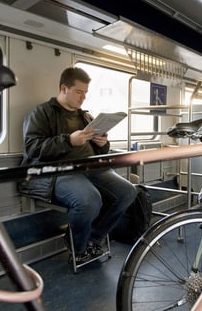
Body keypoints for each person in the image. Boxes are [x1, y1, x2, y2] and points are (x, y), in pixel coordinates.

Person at [19, 66, 137, 265]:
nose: (83, 98)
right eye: (78, 92)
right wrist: (68, 141)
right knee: (89, 199)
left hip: (90, 169)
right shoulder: (41, 113)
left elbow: (100, 151)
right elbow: (33, 149)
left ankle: (94, 238)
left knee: (128, 191)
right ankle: (78, 246)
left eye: (85, 93)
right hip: (56, 172)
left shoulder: (85, 117)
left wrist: (103, 144)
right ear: (63, 89)